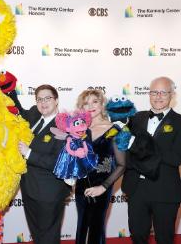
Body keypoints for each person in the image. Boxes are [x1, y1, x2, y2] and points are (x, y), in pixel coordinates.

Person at [122, 76, 181, 244]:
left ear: (172, 95)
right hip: (136, 189)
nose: (158, 96)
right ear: (148, 94)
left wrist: (144, 144)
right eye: (154, 92)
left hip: (165, 191)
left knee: (164, 239)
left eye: (163, 92)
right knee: (137, 237)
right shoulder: (135, 119)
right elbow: (125, 152)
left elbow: (176, 158)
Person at [14, 84, 71, 244]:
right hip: (29, 189)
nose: (43, 102)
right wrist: (10, 92)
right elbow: (20, 111)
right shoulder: (34, 115)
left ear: (57, 100)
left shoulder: (64, 126)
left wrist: (29, 153)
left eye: (48, 98)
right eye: (39, 99)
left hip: (49, 193)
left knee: (49, 237)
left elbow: (59, 161)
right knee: (37, 234)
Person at [74, 89, 126, 244]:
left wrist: (103, 187)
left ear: (102, 104)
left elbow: (122, 164)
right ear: (81, 108)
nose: (90, 106)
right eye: (85, 103)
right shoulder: (79, 130)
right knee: (82, 226)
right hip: (81, 187)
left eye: (94, 101)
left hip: (103, 186)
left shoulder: (115, 130)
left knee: (96, 228)